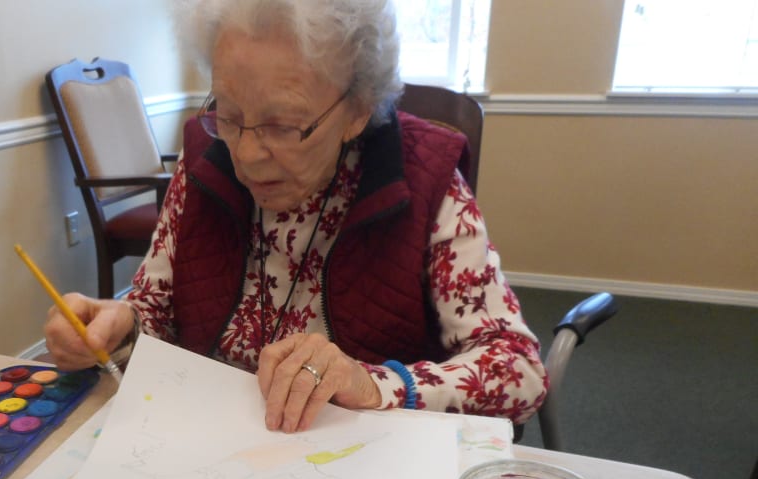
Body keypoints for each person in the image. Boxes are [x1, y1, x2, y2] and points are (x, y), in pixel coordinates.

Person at [44, 0, 547, 434]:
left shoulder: (425, 182)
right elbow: (156, 309)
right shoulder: (205, 161)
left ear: (357, 109)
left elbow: (518, 370)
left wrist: (374, 384)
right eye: (230, 115)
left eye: (282, 125)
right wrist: (120, 324)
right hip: (203, 449)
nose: (246, 154)